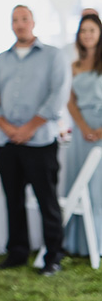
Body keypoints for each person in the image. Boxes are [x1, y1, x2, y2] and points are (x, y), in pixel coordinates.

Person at [0, 5, 69, 275]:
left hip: (41, 141)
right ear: (11, 25)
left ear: (33, 22)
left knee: (48, 201)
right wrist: (8, 128)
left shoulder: (53, 56)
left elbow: (57, 96)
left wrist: (30, 127)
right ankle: (17, 252)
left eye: (24, 19)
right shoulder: (0, 60)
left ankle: (53, 255)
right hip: (8, 143)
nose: (20, 24)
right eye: (15, 20)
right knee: (14, 200)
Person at [62, 13, 102, 256]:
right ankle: (78, 244)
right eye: (83, 31)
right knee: (80, 183)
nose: (87, 35)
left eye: (92, 30)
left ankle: (98, 241)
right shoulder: (74, 66)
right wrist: (84, 128)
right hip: (81, 131)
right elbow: (70, 101)